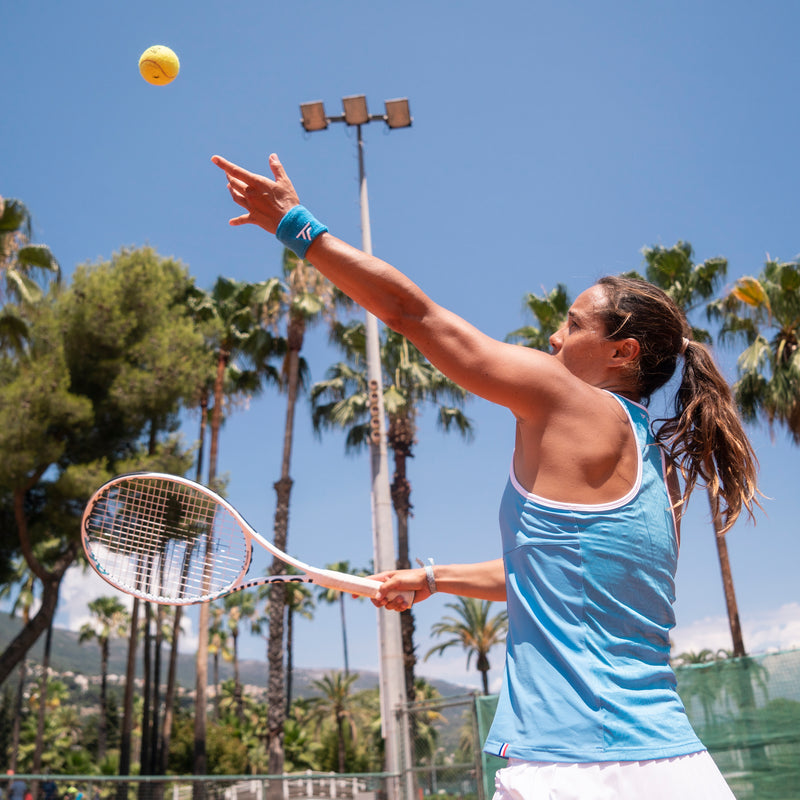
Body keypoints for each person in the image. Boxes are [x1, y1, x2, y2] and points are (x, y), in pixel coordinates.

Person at [212, 153, 759, 799]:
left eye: (573, 324)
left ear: (622, 351)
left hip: (571, 770)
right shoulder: (657, 469)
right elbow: (557, 574)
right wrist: (434, 579)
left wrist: (296, 226)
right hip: (678, 768)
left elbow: (411, 314)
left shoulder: (563, 397)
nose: (555, 339)